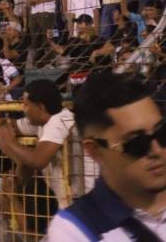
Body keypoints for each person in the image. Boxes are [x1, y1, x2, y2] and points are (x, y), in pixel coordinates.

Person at [47, 72, 166, 241]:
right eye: (137, 143)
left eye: (162, 133)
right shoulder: (74, 230)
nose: (157, 150)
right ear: (94, 150)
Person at [0, 79, 75, 209]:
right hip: (68, 201)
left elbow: (38, 160)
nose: (23, 109)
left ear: (40, 107)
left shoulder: (60, 121)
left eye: (26, 105)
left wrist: (10, 142)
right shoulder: (40, 121)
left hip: (80, 199)